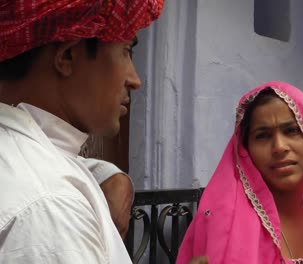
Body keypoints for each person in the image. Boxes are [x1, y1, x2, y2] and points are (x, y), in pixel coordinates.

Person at [0, 1, 207, 263]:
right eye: (126, 51)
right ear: (68, 56)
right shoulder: (52, 209)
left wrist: (109, 175)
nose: (135, 79)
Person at [177, 81, 303, 263]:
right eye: (263, 135)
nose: (279, 147)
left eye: (292, 131)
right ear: (245, 151)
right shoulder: (224, 224)